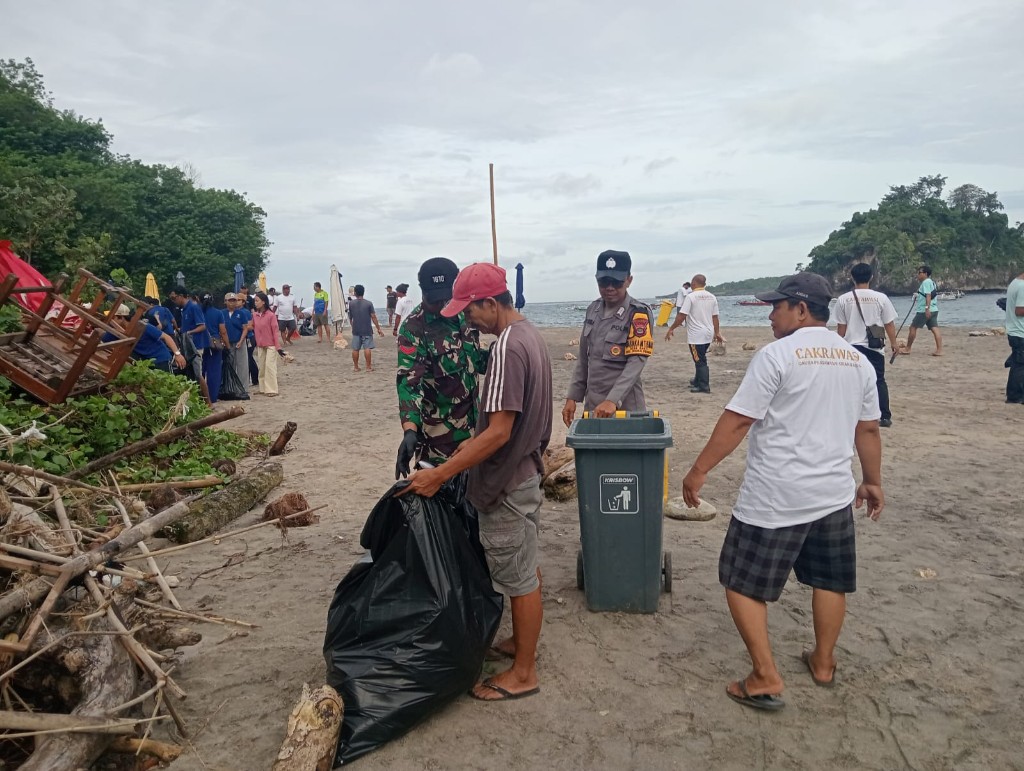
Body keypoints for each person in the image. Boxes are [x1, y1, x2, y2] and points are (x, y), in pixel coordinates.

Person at [681, 273, 883, 712]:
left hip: (776, 495)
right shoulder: (858, 360)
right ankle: (823, 662)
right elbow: (867, 428)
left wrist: (698, 471)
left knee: (740, 581)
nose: (770, 315)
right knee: (829, 581)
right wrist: (872, 480)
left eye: (777, 307)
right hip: (832, 494)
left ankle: (764, 675)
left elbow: (738, 420)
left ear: (801, 309)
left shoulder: (778, 356)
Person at [398, 262, 552, 702]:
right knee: (523, 562)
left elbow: (499, 430)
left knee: (519, 578)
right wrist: (412, 428)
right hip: (523, 469)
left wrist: (442, 474)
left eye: (471, 310)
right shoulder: (531, 336)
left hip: (505, 477)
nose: (466, 319)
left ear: (490, 302)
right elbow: (408, 379)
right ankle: (519, 645)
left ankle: (524, 672)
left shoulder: (505, 348)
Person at [395, 258, 488, 478]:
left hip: (478, 433)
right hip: (440, 443)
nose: (440, 305)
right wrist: (410, 431)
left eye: (446, 298)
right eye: (433, 299)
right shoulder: (413, 328)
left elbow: (473, 360)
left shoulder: (465, 315)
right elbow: (408, 385)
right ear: (422, 291)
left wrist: (498, 354)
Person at [562, 250, 653, 425]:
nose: (610, 288)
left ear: (629, 280)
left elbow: (636, 363)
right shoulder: (592, 310)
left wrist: (613, 400)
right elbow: (583, 358)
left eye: (617, 282)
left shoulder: (638, 313)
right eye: (604, 282)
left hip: (626, 408)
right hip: (593, 406)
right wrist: (573, 396)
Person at [834, 263, 899, 426]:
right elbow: (889, 324)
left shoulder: (843, 299)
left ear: (852, 278)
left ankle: (851, 415)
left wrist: (836, 346)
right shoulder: (881, 298)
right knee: (878, 380)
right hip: (874, 346)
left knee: (852, 381)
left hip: (851, 347)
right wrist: (894, 343)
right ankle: (884, 416)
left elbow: (841, 328)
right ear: (871, 277)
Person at [664, 273, 724, 393]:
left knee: (699, 359)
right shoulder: (712, 296)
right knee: (700, 357)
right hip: (708, 332)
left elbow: (682, 315)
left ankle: (703, 385)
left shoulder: (691, 297)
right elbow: (715, 317)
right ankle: (697, 380)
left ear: (694, 284)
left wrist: (671, 328)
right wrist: (717, 332)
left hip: (696, 334)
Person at [106, 305, 186, 372]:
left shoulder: (143, 327)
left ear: (121, 318)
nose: (111, 321)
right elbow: (101, 339)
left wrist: (177, 354)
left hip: (160, 360)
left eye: (113, 317)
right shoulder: (115, 332)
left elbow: (166, 337)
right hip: (144, 363)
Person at [169, 288, 212, 404]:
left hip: (196, 345)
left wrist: (188, 333)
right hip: (188, 346)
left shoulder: (193, 307)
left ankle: (209, 403)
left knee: (198, 374)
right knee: (192, 373)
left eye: (174, 298)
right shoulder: (183, 309)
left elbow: (202, 326)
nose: (173, 301)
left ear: (181, 296)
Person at [903, 265, 943, 356]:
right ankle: (939, 350)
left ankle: (908, 348)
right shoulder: (931, 282)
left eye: (920, 273)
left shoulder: (926, 282)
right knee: (934, 328)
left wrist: (926, 309)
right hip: (934, 309)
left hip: (924, 310)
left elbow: (928, 295)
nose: (918, 274)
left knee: (912, 327)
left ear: (925, 274)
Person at [200, 293, 229, 403]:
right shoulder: (218, 313)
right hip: (214, 345)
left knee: (200, 371)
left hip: (200, 344)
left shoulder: (197, 312)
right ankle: (212, 397)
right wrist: (227, 345)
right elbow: (223, 331)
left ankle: (201, 396)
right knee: (214, 372)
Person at [348, 284, 384, 371]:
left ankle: (356, 367)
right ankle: (368, 367)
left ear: (355, 293)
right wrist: (378, 328)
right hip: (367, 329)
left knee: (355, 349)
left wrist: (353, 326)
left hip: (356, 329)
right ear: (363, 292)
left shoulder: (351, 303)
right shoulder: (368, 303)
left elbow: (350, 317)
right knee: (367, 348)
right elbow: (373, 316)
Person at [224, 292, 253, 397]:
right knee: (230, 364)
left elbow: (245, 328)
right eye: (230, 301)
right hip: (227, 342)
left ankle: (243, 388)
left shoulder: (242, 313)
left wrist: (241, 341)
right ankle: (231, 387)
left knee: (242, 364)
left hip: (239, 341)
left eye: (234, 300)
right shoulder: (222, 313)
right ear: (225, 302)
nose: (232, 303)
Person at [251, 291, 279, 396]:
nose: (255, 303)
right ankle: (262, 388)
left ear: (263, 302)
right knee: (261, 367)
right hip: (260, 344)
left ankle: (272, 389)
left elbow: (275, 331)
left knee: (270, 367)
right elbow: (252, 326)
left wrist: (278, 347)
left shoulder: (271, 315)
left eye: (257, 301)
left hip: (271, 345)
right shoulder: (255, 315)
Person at [1005, 269, 1024, 404]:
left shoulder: (1015, 282)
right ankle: (1014, 396)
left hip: (1014, 331)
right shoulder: (1022, 286)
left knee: (1018, 363)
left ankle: (1016, 394)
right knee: (1019, 365)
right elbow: (1019, 310)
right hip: (1020, 332)